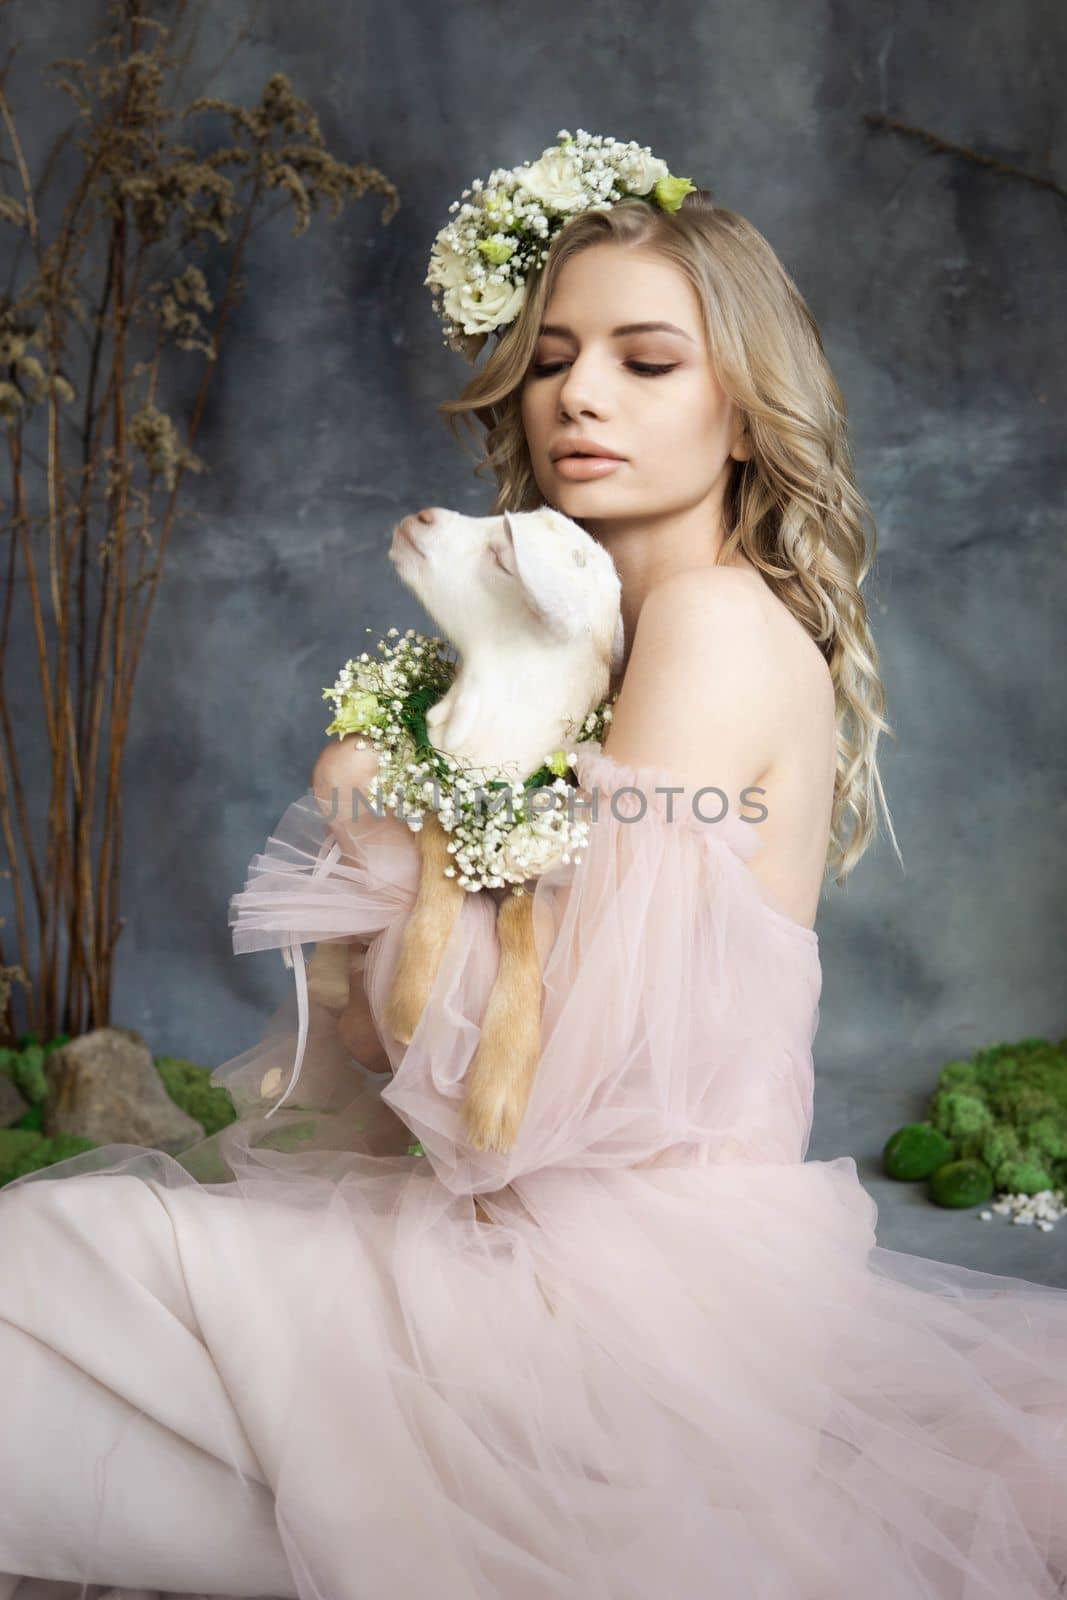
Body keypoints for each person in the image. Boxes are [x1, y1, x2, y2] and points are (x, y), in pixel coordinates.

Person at [0, 129, 1065, 1600]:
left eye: (646, 361)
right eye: (555, 354)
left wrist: (375, 834)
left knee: (53, 1270)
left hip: (610, 1302)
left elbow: (535, 1099)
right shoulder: (601, 640)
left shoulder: (707, 624)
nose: (577, 394)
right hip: (581, 1252)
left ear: (746, 413)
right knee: (75, 1294)